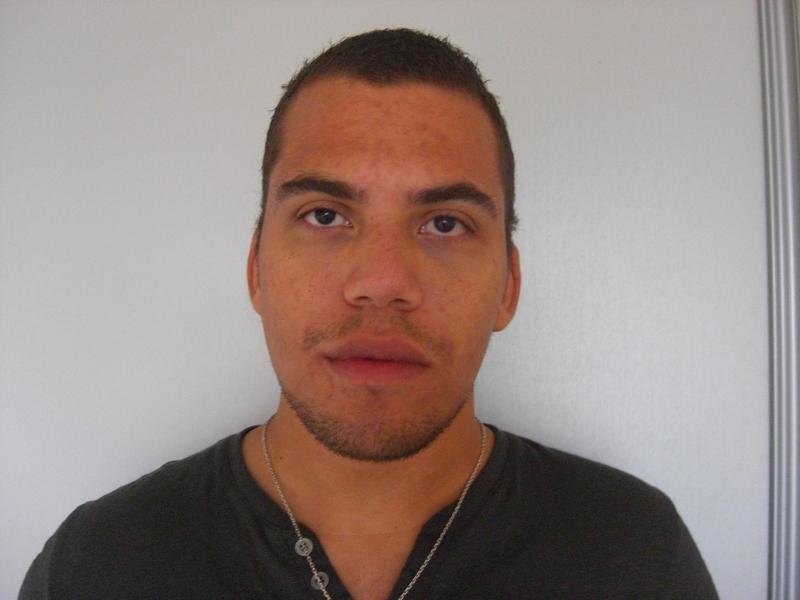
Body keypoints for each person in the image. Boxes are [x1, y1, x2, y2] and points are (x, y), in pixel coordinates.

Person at [20, 28, 718, 599]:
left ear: (508, 285)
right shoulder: (97, 565)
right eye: (325, 215)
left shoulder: (635, 553)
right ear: (256, 269)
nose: (382, 283)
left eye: (444, 223)